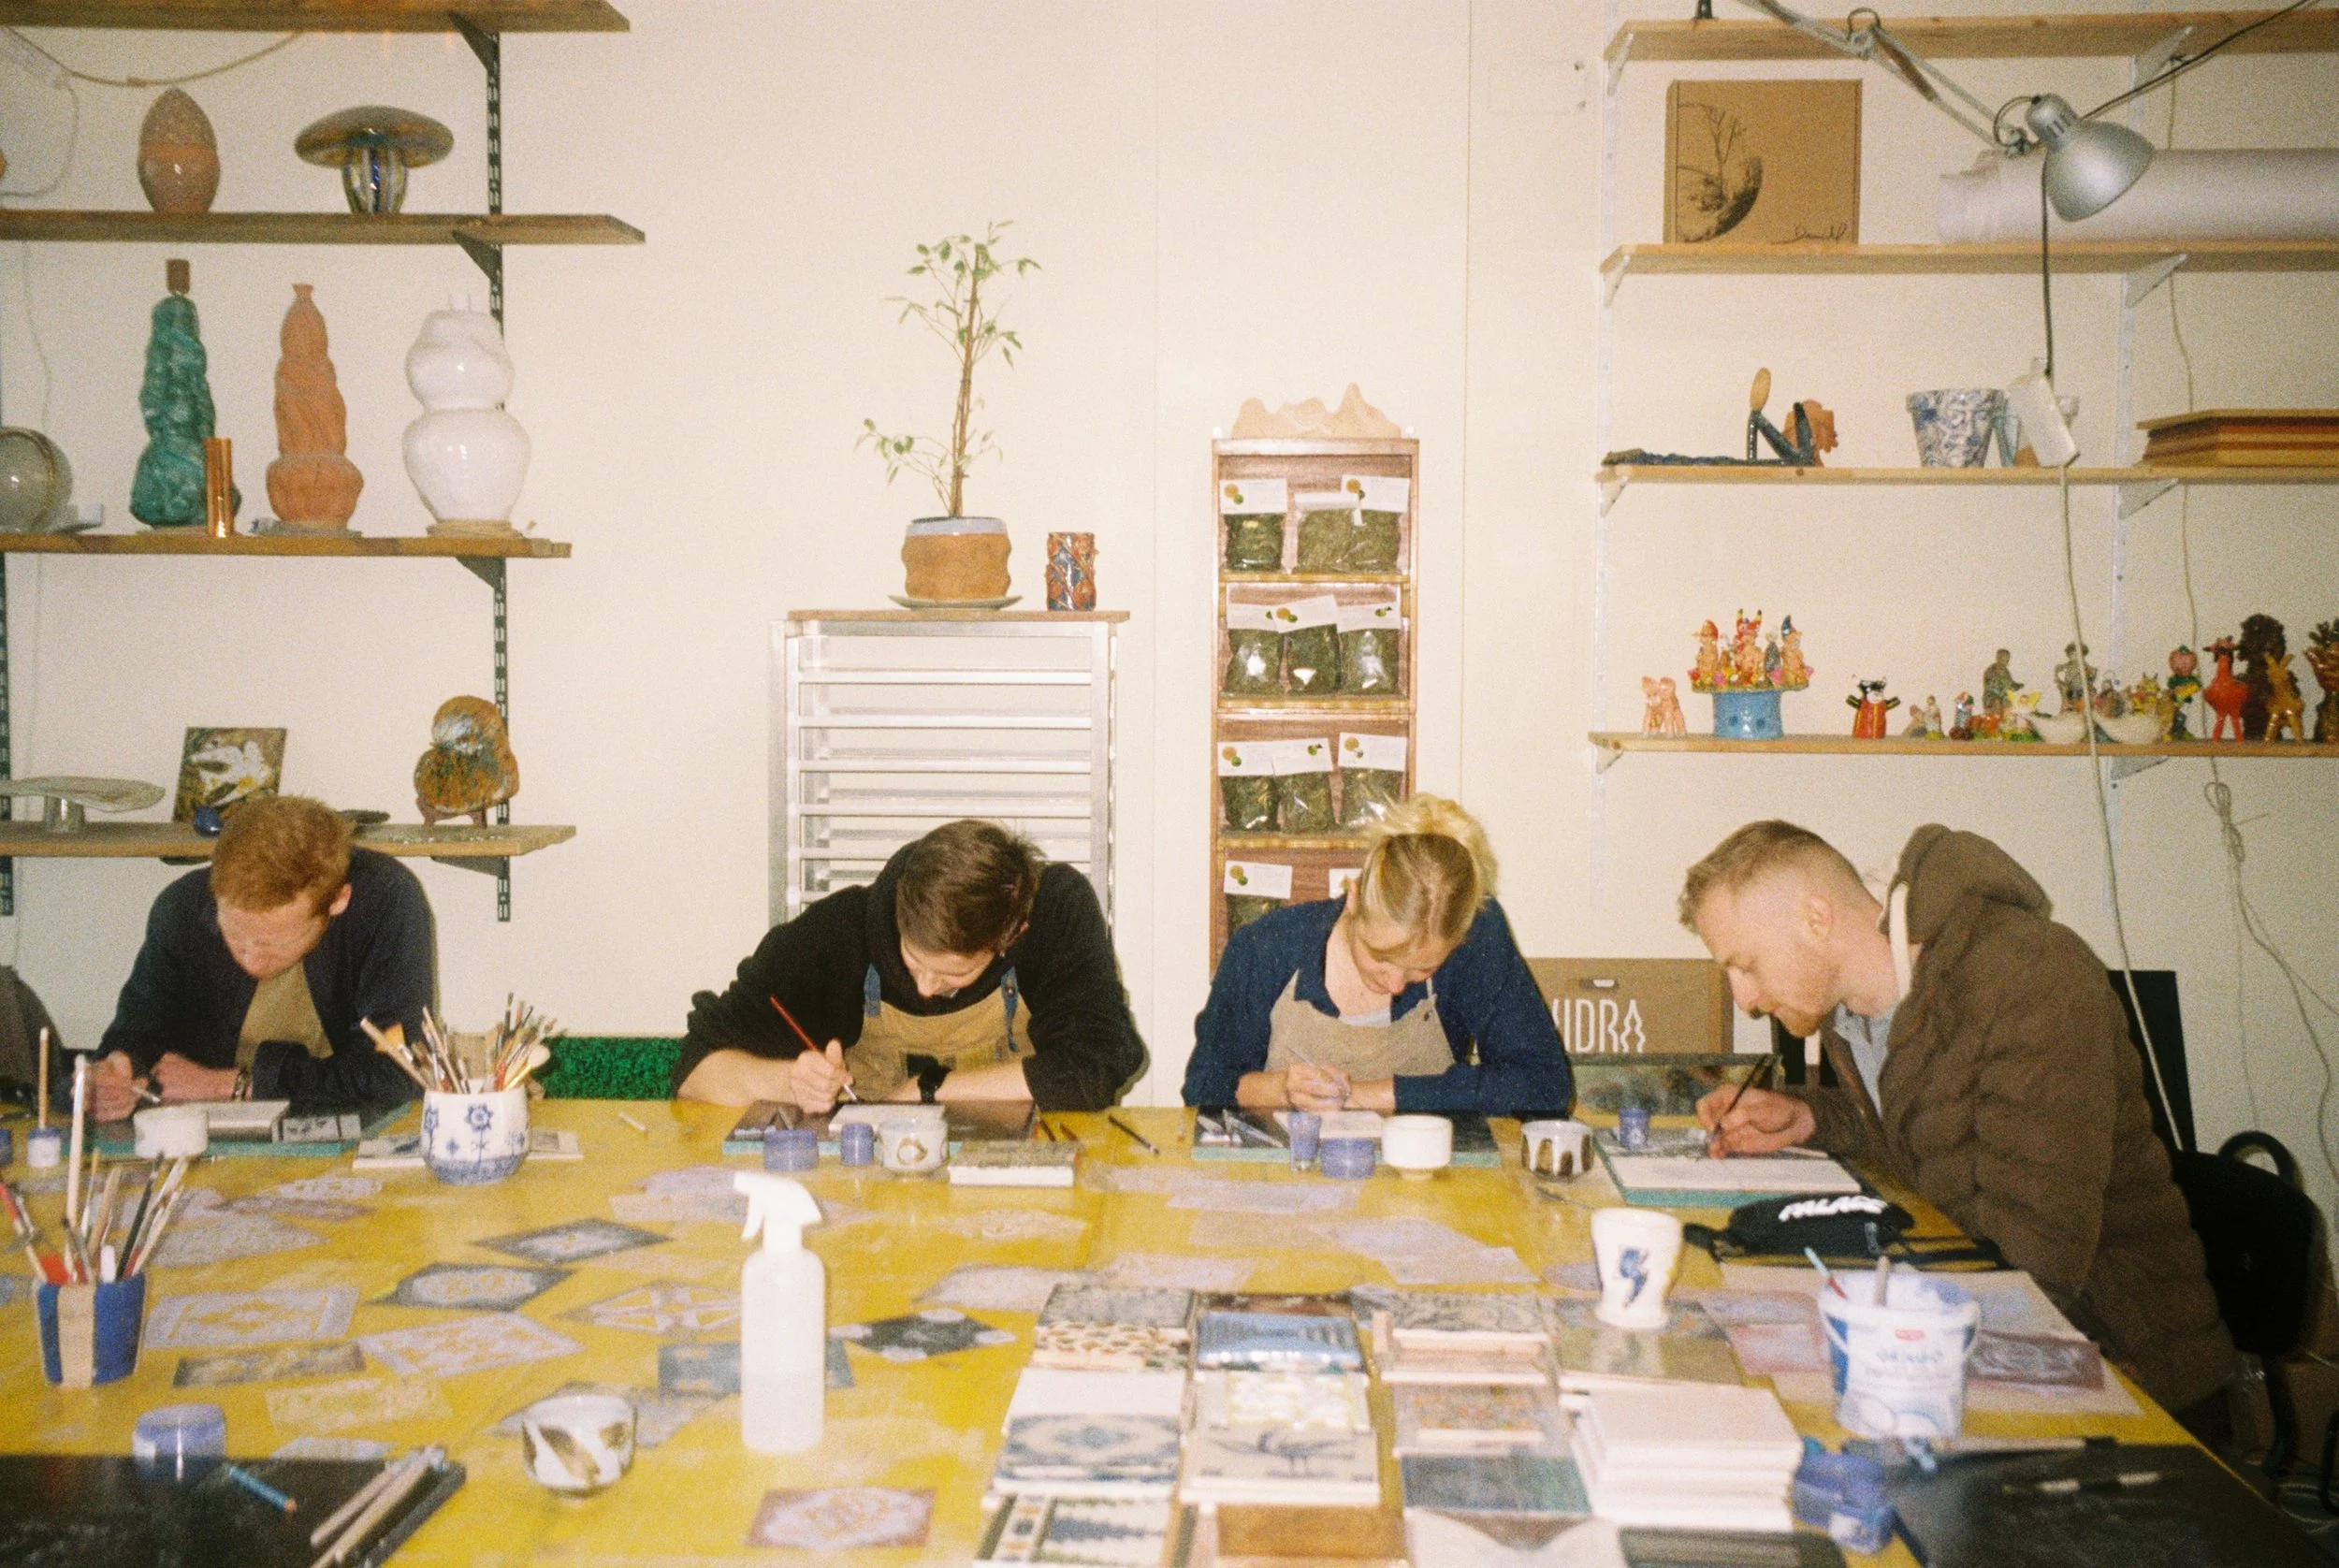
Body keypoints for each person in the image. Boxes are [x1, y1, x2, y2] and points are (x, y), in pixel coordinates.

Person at [1679, 819, 2235, 1435]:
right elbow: (1936, 1124)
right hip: (2000, 1327)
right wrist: (1810, 1116)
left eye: (1745, 965)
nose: (1744, 999)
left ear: (1816, 918)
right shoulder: (1866, 1007)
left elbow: (2036, 1263)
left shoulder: (2027, 974)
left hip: (2125, 1373)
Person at [676, 820, 1146, 1112]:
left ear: (1012, 936)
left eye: (950, 975)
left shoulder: (1052, 912)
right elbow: (695, 1070)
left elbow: (1097, 1065)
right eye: (913, 961)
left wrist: (928, 1090)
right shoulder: (840, 931)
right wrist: (789, 1082)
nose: (923, 989)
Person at [1184, 795, 1571, 1115]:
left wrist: (1378, 1095)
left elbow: (1543, 1083)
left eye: (1424, 968)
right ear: (1353, 898)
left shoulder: (1476, 937)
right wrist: (1282, 1088)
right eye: (1381, 957)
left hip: (1422, 1183)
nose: (1396, 983)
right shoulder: (1267, 947)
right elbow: (1203, 1086)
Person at [88, 794, 436, 1122]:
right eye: (236, 937)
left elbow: (398, 1073)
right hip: (204, 1139)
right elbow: (135, 1036)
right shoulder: (182, 908)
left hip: (345, 1130)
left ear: (337, 901)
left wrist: (234, 1085)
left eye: (276, 943)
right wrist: (115, 1072)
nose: (252, 960)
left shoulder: (386, 901)